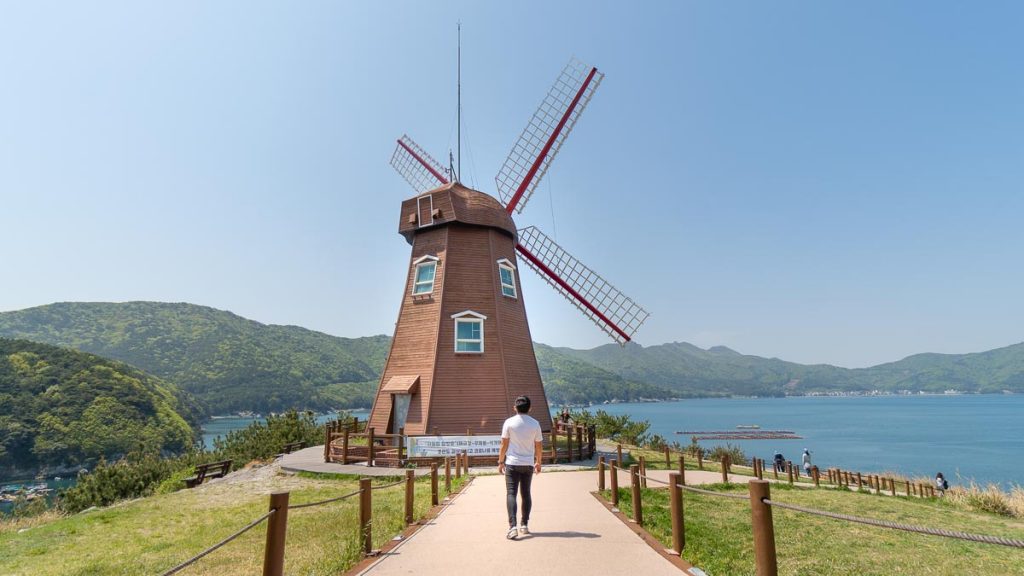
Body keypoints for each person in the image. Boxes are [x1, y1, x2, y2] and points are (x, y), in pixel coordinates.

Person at [498, 395, 543, 540]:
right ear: (530, 408)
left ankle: (512, 527)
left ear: (515, 408)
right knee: (526, 493)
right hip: (528, 463)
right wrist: (539, 461)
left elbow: (504, 443)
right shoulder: (535, 424)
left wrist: (500, 461)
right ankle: (524, 524)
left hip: (512, 463)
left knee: (511, 494)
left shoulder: (509, 423)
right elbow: (538, 445)